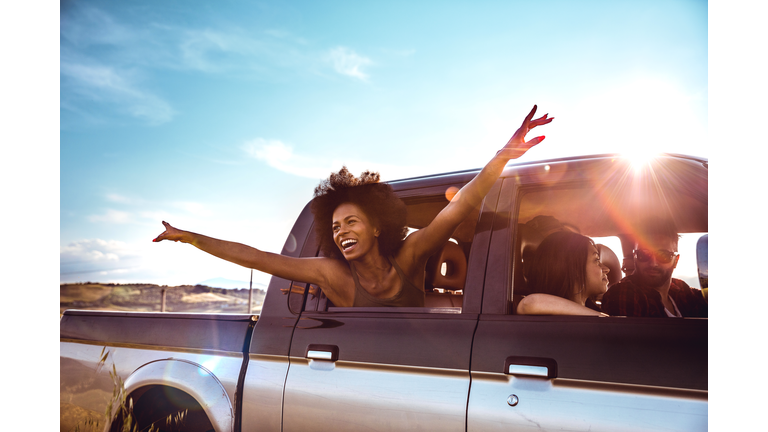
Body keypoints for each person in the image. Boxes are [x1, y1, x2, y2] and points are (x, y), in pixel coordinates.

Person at [153, 105, 554, 307]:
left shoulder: (412, 256)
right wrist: (189, 237)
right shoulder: (334, 276)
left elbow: (460, 205)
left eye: (351, 222)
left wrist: (502, 156)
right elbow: (256, 258)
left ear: (378, 226)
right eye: (335, 227)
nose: (341, 231)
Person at [601, 217, 707, 317]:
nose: (653, 263)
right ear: (635, 257)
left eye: (663, 255)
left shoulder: (682, 289)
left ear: (676, 260)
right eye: (644, 254)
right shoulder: (624, 293)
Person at [516, 231, 610, 316]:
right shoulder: (545, 311)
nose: (607, 269)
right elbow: (529, 303)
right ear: (574, 268)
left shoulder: (591, 310)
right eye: (596, 260)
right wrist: (602, 320)